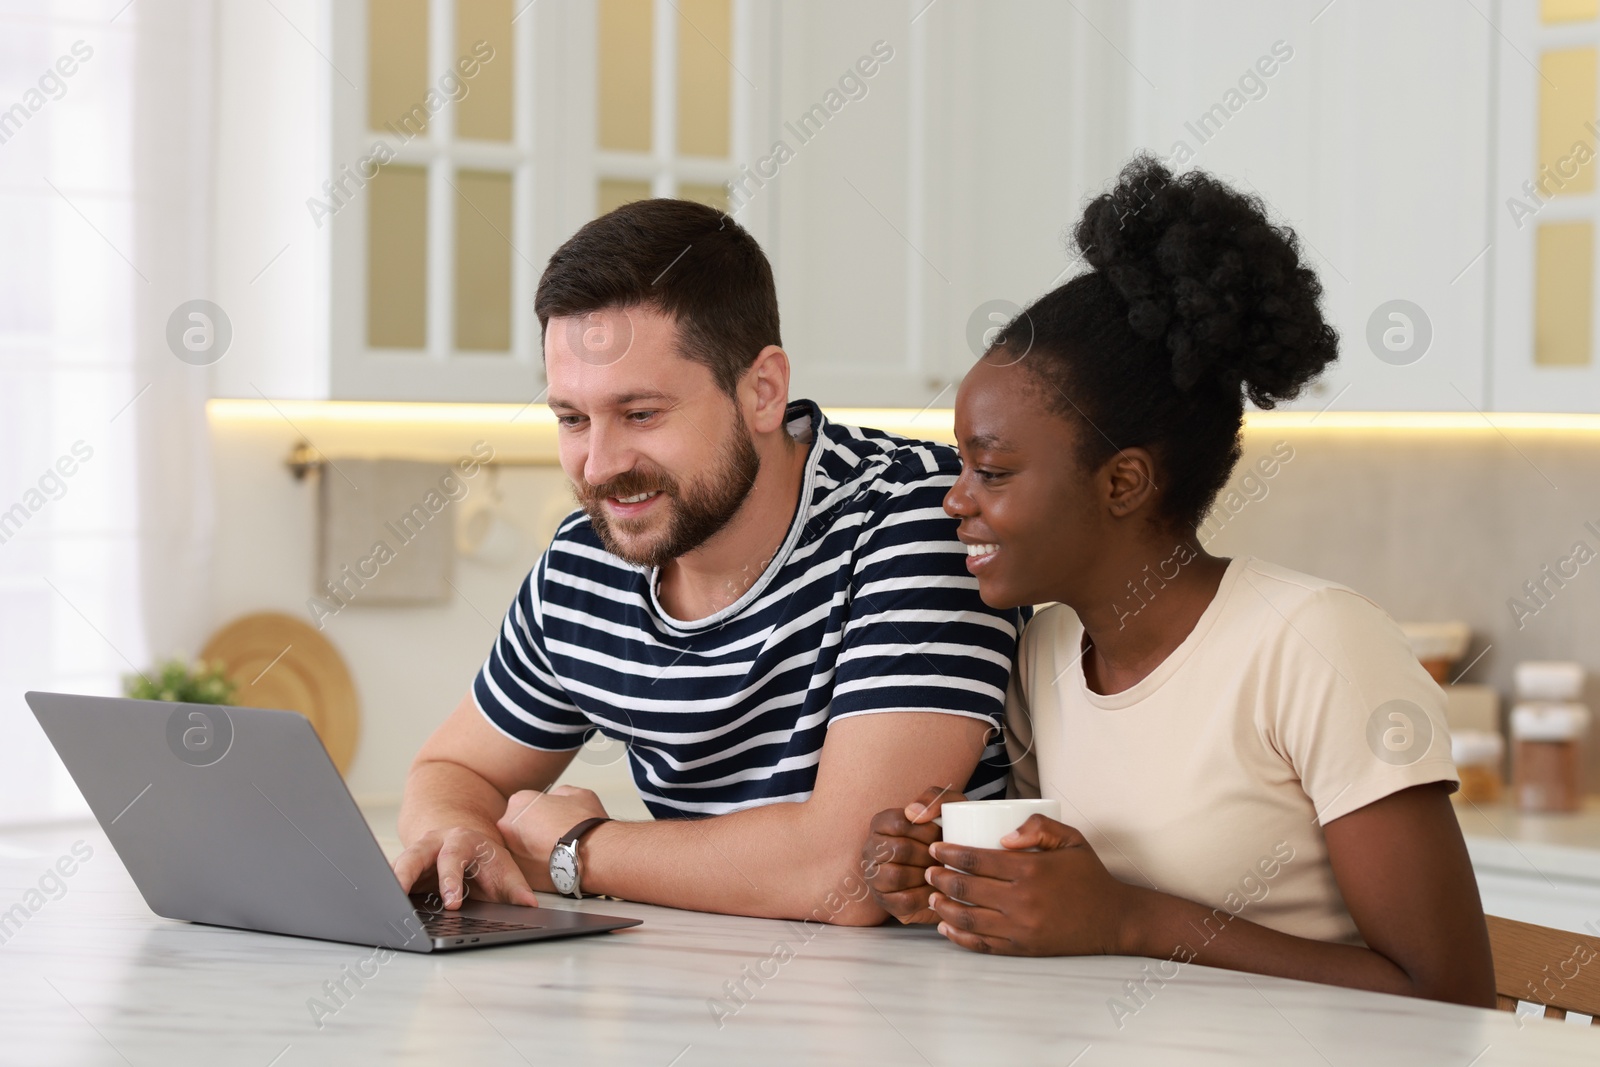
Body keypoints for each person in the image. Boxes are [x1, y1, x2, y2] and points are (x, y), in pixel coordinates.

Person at [862, 156, 1497, 1007]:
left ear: (1122, 483)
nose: (954, 498)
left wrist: (1130, 918)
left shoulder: (1316, 646)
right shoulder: (1045, 653)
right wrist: (941, 879)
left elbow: (1449, 994)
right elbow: (1051, 913)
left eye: (993, 471)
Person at [392, 198, 1023, 924]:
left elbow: (847, 874)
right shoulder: (583, 566)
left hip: (925, 1008)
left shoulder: (917, 518)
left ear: (763, 391)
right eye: (571, 418)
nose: (598, 466)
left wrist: (576, 851)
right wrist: (458, 834)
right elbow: (451, 771)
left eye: (641, 414)